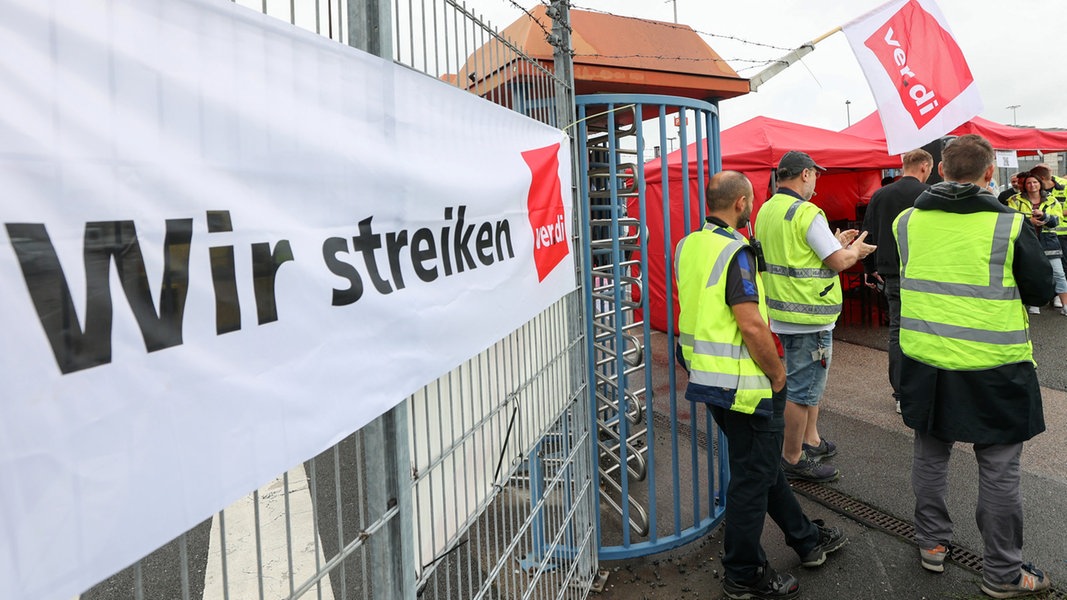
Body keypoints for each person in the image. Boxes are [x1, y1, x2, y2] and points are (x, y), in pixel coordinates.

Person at [894, 134, 1053, 598]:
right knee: (999, 469)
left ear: (940, 171)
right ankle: (1003, 574)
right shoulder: (1008, 225)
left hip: (925, 361)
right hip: (995, 367)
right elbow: (1042, 290)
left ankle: (932, 545)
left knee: (930, 455)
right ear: (989, 175)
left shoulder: (908, 222)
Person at [676, 170, 847, 600]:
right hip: (745, 384)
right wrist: (777, 374)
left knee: (762, 466)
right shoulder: (736, 251)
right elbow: (751, 325)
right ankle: (743, 573)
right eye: (750, 201)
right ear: (740, 203)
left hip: (707, 378)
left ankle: (806, 539)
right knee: (753, 477)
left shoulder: (688, 244)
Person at [753, 151, 876, 483]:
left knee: (804, 385)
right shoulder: (807, 212)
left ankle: (812, 440)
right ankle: (793, 457)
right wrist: (854, 251)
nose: (817, 183)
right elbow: (837, 262)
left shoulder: (767, 209)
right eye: (816, 176)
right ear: (805, 174)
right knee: (802, 390)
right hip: (810, 315)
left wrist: (835, 242)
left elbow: (795, 254)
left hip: (785, 311)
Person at [861, 149, 933, 414]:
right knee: (928, 329)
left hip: (891, 272)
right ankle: (928, 388)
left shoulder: (881, 194)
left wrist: (869, 267)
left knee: (898, 331)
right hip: (926, 273)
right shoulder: (930, 193)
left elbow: (867, 233)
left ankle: (902, 393)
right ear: (924, 167)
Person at [1006, 171, 1067, 314]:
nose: (1032, 185)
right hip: (1026, 241)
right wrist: (1029, 221)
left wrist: (1044, 216)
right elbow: (1010, 217)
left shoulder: (1052, 200)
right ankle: (1033, 303)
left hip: (1049, 241)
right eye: (1029, 183)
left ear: (1040, 184)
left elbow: (1057, 220)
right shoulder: (1014, 200)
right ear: (1024, 186)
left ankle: (1065, 304)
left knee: (1058, 273)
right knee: (1029, 273)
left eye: (1035, 182)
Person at [1030, 164, 1067, 279]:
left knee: (1063, 267)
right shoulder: (1038, 191)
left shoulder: (1064, 186)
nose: (1034, 184)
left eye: (1036, 181)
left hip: (1063, 234)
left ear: (1042, 178)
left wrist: (1052, 214)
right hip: (1046, 235)